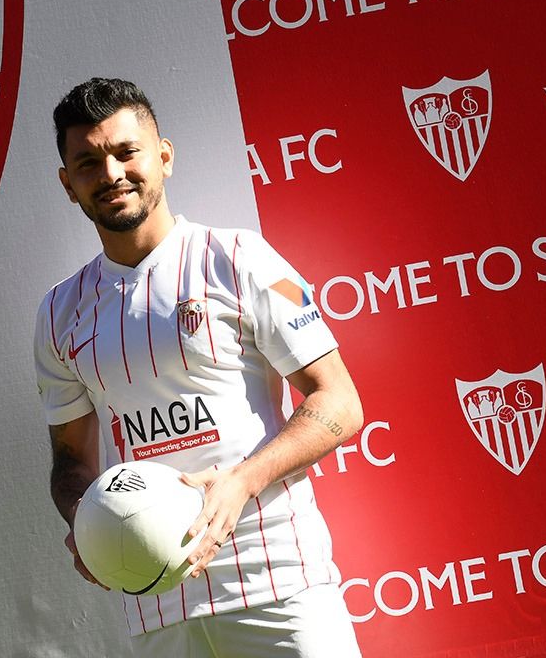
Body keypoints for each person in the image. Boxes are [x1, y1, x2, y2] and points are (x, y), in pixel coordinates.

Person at [33, 78, 364, 657]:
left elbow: (338, 403)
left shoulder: (240, 259)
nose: (110, 173)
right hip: (156, 603)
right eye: (87, 162)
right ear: (68, 184)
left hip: (276, 583)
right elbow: (70, 463)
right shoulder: (60, 312)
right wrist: (88, 522)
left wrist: (240, 483)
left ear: (163, 155)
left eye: (126, 152)